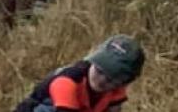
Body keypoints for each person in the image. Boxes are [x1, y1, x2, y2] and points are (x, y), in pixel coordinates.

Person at [13, 35, 146, 112]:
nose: (101, 80)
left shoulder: (117, 92)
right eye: (99, 71)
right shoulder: (66, 83)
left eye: (111, 79)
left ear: (124, 82)